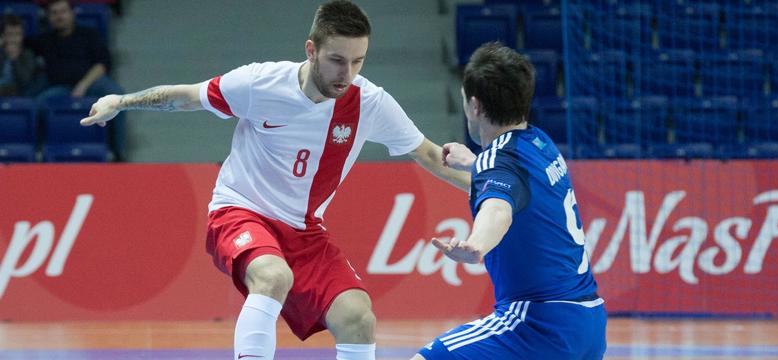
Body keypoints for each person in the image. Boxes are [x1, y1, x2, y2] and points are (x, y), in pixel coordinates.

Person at [79, 1, 470, 359]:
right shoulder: (260, 83)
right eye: (337, 60)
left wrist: (491, 192)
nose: (347, 74)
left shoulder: (369, 102)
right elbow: (186, 96)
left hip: (305, 231)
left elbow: (430, 154)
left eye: (357, 62)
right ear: (311, 50)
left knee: (358, 317)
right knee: (273, 275)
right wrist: (122, 101)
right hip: (239, 211)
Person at [413, 42, 607, 360]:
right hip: (588, 324)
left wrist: (477, 243)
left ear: (474, 105)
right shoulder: (540, 143)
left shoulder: (496, 163)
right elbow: (509, 189)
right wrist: (474, 164)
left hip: (536, 324)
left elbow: (498, 209)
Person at [30, 0, 125, 159]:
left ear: (72, 13)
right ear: (48, 17)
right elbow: (18, 44)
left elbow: (102, 64)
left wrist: (83, 85)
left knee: (118, 98)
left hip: (92, 83)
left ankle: (117, 153)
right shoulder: (44, 40)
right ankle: (37, 154)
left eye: (63, 11)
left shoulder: (89, 34)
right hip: (60, 87)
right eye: (54, 13)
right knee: (36, 105)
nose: (59, 16)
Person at [0, 14, 41, 97]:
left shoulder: (28, 54)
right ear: (3, 36)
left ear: (22, 36)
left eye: (18, 34)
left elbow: (25, 81)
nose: (14, 39)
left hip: (17, 91)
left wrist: (15, 60)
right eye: (10, 34)